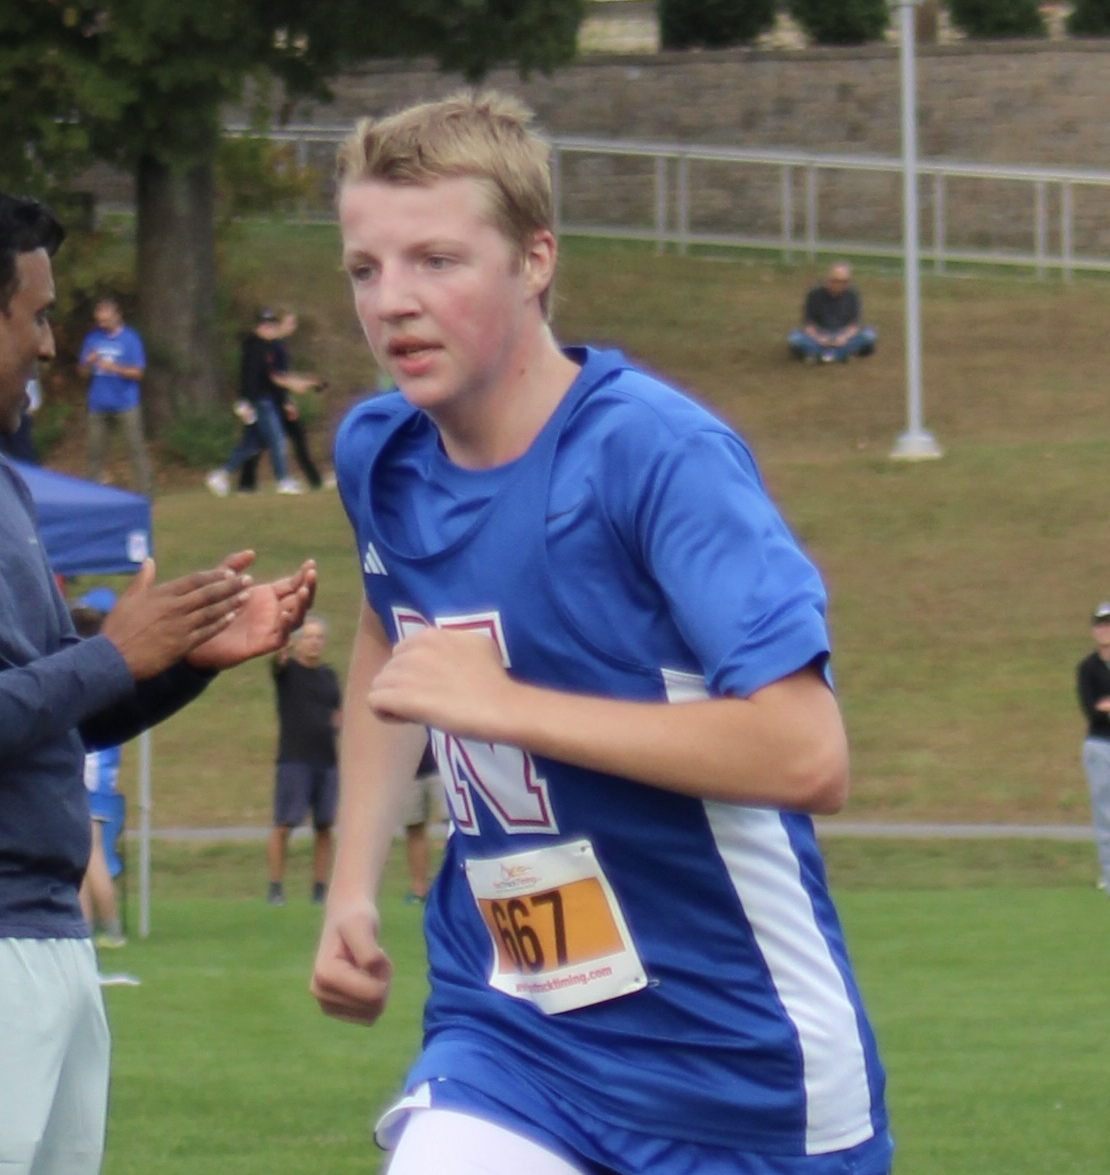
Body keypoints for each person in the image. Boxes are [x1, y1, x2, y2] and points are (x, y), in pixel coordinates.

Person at [310, 93, 892, 1175]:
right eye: (364, 269)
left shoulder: (656, 456)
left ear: (535, 259)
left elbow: (807, 753)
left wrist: (506, 705)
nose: (393, 302)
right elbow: (396, 640)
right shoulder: (377, 452)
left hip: (736, 1068)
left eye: (437, 260)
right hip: (511, 1033)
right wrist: (351, 886)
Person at [0, 189, 317, 1175]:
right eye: (39, 315)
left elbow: (58, 717)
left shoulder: (8, 486)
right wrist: (112, 650)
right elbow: (79, 675)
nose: (52, 347)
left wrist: (186, 657)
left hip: (51, 940)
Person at [267, 615, 342, 906]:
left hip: (326, 760)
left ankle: (320, 888)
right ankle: (275, 886)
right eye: (308, 637)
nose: (314, 642)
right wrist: (283, 634)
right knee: (284, 824)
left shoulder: (328, 675)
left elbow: (337, 709)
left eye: (318, 637)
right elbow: (277, 660)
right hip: (294, 760)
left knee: (324, 826)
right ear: (298, 641)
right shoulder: (288, 672)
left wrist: (337, 723)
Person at [206, 308, 321, 497]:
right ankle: (282, 480)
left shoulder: (268, 347)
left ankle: (220, 475)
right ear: (258, 326)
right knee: (276, 439)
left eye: (271, 325)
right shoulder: (255, 347)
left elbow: (274, 377)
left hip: (264, 399)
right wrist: (245, 402)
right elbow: (259, 378)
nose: (268, 329)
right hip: (259, 401)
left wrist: (293, 387)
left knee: (252, 443)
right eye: (265, 325)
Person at [70, 589, 126, 949]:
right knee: (85, 855)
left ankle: (112, 928)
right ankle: (86, 927)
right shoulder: (108, 670)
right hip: (100, 776)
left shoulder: (88, 673)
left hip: (90, 776)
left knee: (90, 856)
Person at [237, 310, 330, 492]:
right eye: (289, 323)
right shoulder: (269, 346)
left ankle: (246, 483)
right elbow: (273, 376)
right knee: (266, 439)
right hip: (270, 400)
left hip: (274, 398)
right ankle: (252, 481)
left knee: (263, 439)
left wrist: (302, 383)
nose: (292, 328)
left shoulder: (275, 345)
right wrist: (288, 397)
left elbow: (280, 375)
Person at [78, 294, 154, 495]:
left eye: (106, 319)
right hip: (98, 404)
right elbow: (82, 372)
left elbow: (138, 372)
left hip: (126, 403)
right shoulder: (93, 338)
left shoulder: (130, 339)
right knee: (95, 452)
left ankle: (144, 494)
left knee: (135, 449)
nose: (103, 324)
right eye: (100, 320)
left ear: (117, 315)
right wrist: (88, 361)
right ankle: (91, 494)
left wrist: (115, 368)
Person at [1075, 602, 1110, 896]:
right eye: (1100, 624)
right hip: (1099, 746)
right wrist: (1103, 707)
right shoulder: (1087, 668)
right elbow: (1093, 711)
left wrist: (1106, 704)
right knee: (1106, 814)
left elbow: (1104, 706)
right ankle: (1108, 875)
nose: (1104, 629)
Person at [787, 262, 877, 364]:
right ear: (828, 279)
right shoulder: (814, 294)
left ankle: (821, 355)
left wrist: (844, 337)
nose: (839, 285)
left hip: (843, 335)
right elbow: (808, 324)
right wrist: (819, 338)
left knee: (869, 333)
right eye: (836, 281)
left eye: (844, 282)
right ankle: (842, 354)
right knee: (794, 337)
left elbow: (854, 325)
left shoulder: (853, 295)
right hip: (820, 334)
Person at [402, 743, 443, 905]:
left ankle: (458, 887)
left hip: (441, 766)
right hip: (409, 770)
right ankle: (420, 891)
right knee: (414, 827)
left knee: (455, 826)